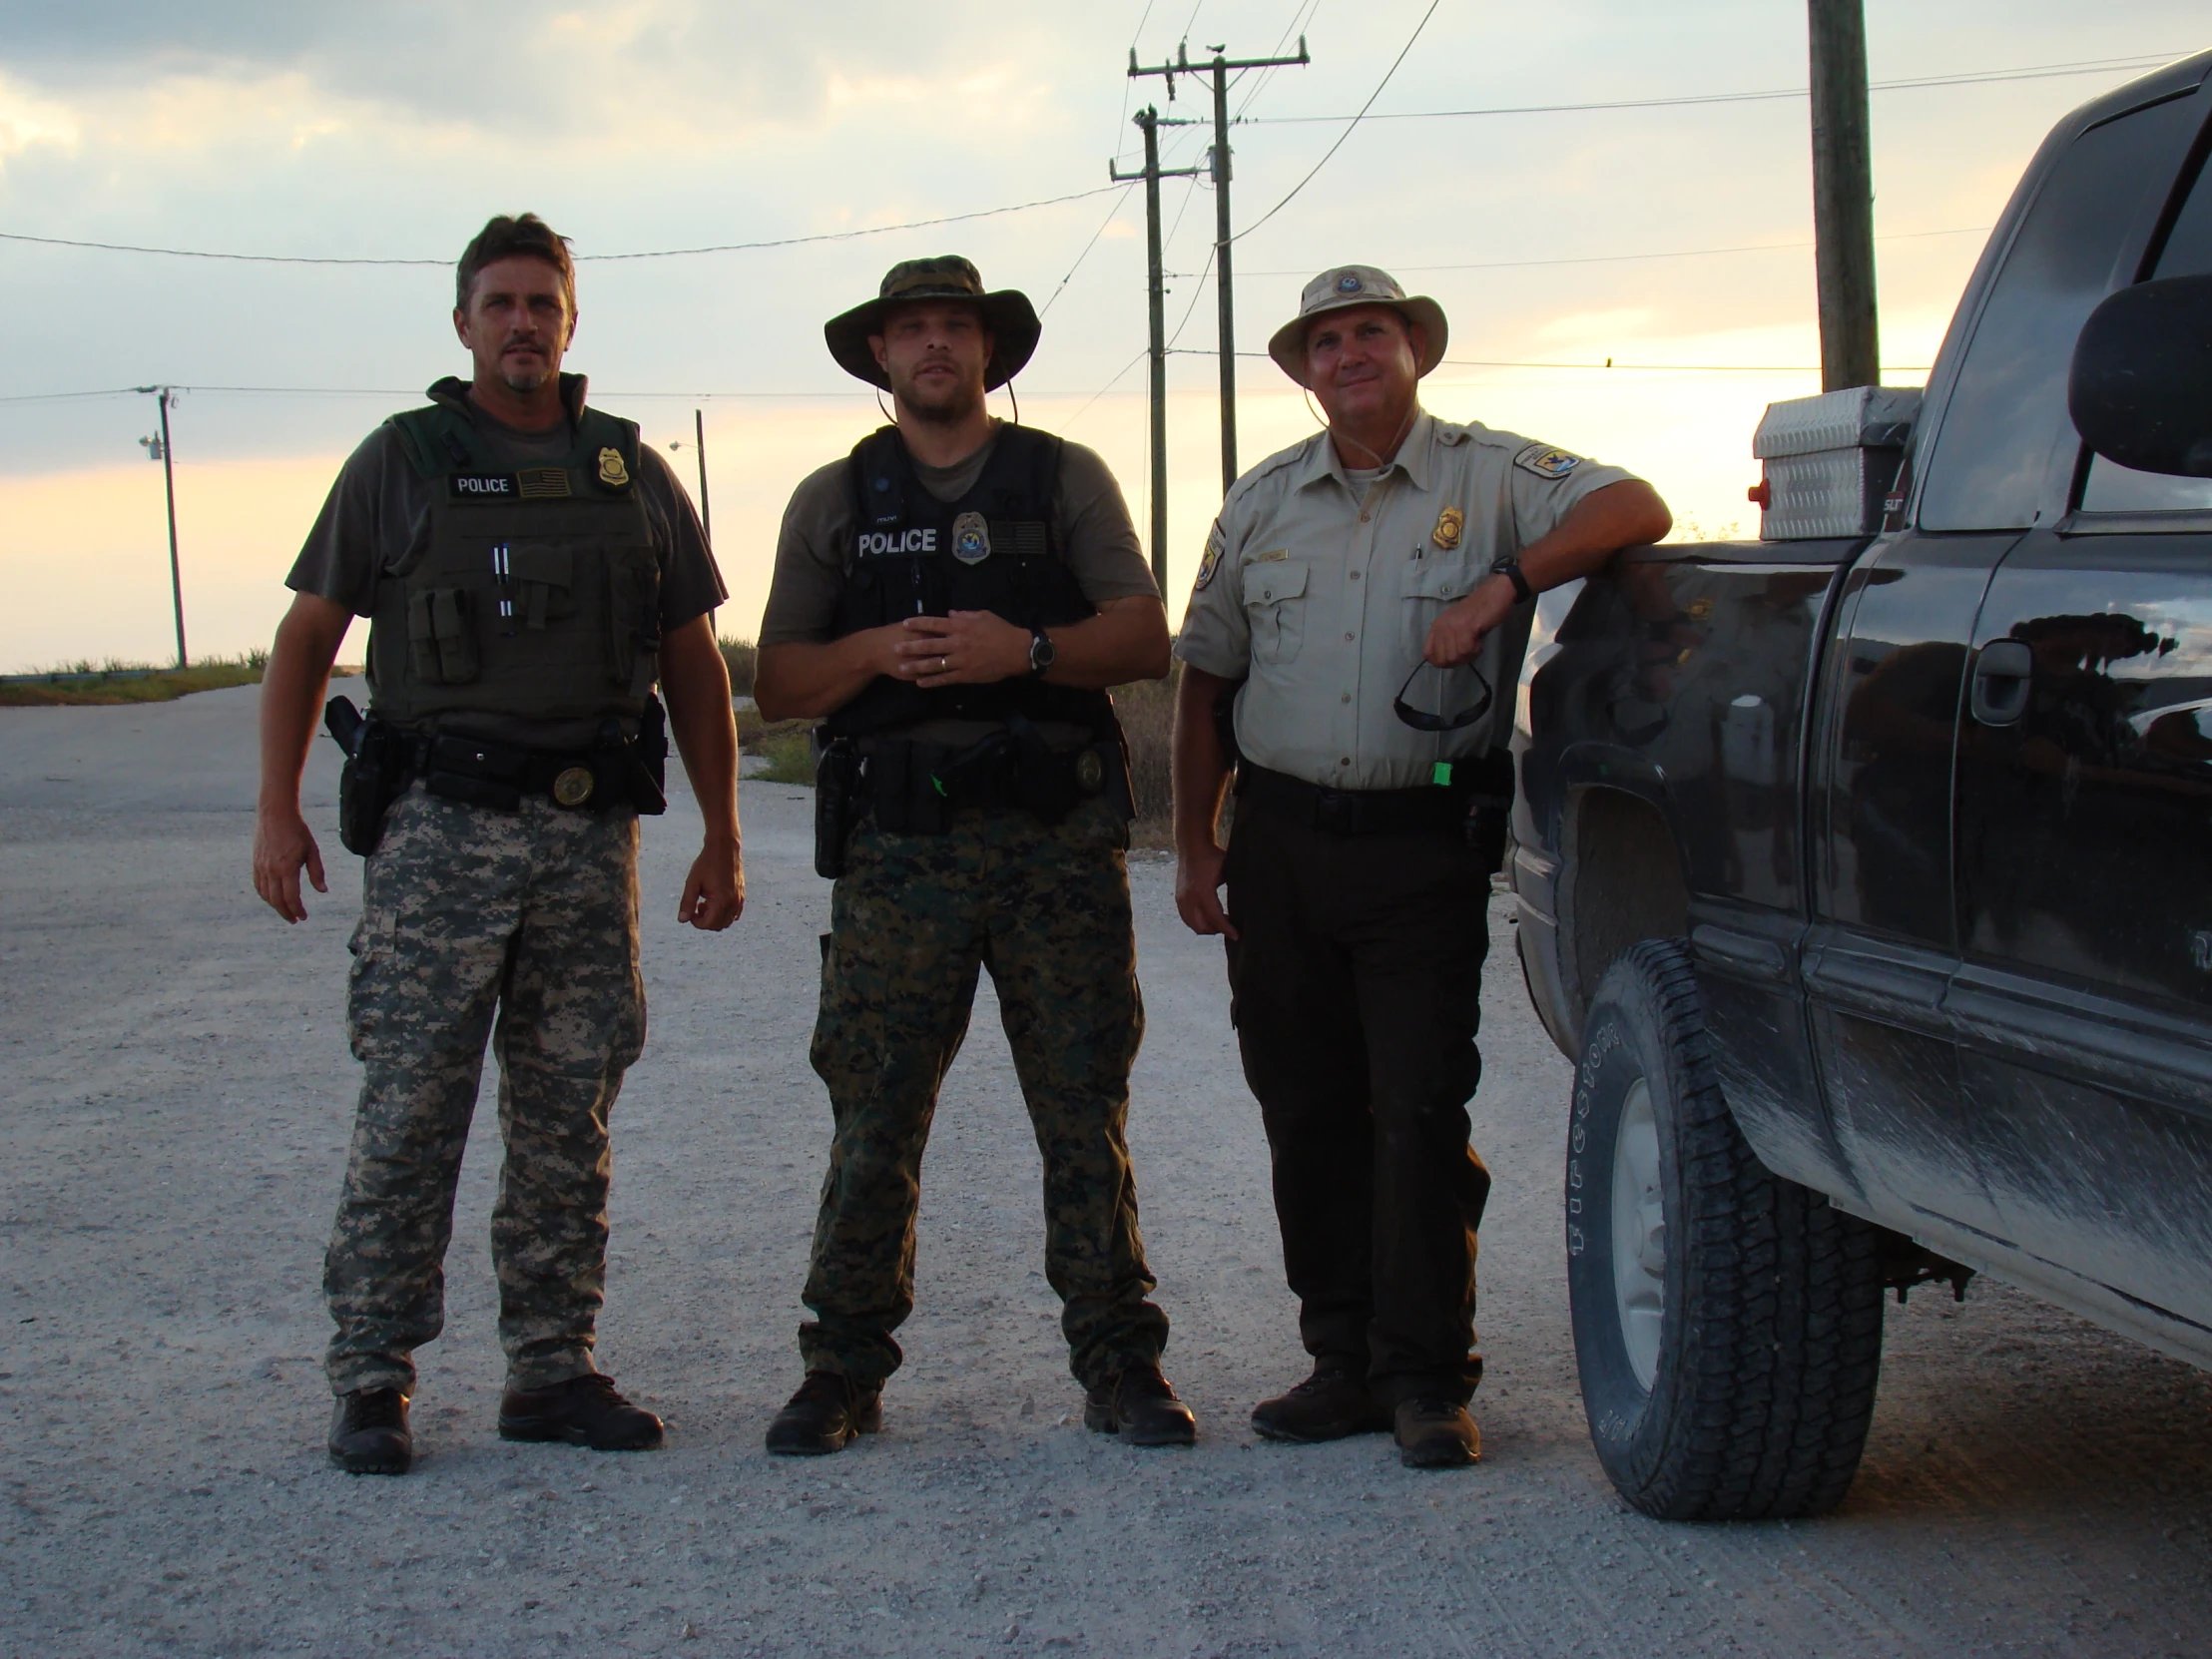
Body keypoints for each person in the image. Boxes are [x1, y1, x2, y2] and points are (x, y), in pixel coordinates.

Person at [251, 213, 744, 1475]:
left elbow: (689, 661)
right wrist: (276, 808)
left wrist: (721, 831)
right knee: (412, 1104)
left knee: (567, 1111)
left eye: (543, 304)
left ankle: (550, 1368)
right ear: (463, 323)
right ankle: (372, 1374)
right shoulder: (401, 462)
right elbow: (308, 638)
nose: (521, 323)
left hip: (586, 842)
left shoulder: (628, 474)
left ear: (571, 323)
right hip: (438, 836)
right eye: (499, 304)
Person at [1170, 265, 1671, 1468]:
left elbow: (1635, 507)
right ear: (1299, 371)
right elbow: (1205, 679)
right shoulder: (1258, 501)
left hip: (1415, 848)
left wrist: (1505, 582)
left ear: (1414, 351)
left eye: (1372, 334)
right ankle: (1339, 1360)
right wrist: (1195, 841)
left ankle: (1425, 1378)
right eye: (1326, 341)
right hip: (1281, 848)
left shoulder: (1487, 474)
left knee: (1416, 1112)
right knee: (1303, 1109)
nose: (1349, 355)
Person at [752, 255, 1193, 1454]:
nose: (934, 346)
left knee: (1079, 1108)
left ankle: (1118, 1362)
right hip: (900, 851)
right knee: (874, 1114)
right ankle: (840, 1366)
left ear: (989, 353)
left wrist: (1024, 651)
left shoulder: (1063, 479)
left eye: (956, 328)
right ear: (880, 358)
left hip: (1056, 845)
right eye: (913, 331)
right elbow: (778, 681)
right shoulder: (835, 497)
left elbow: (1144, 636)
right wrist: (877, 654)